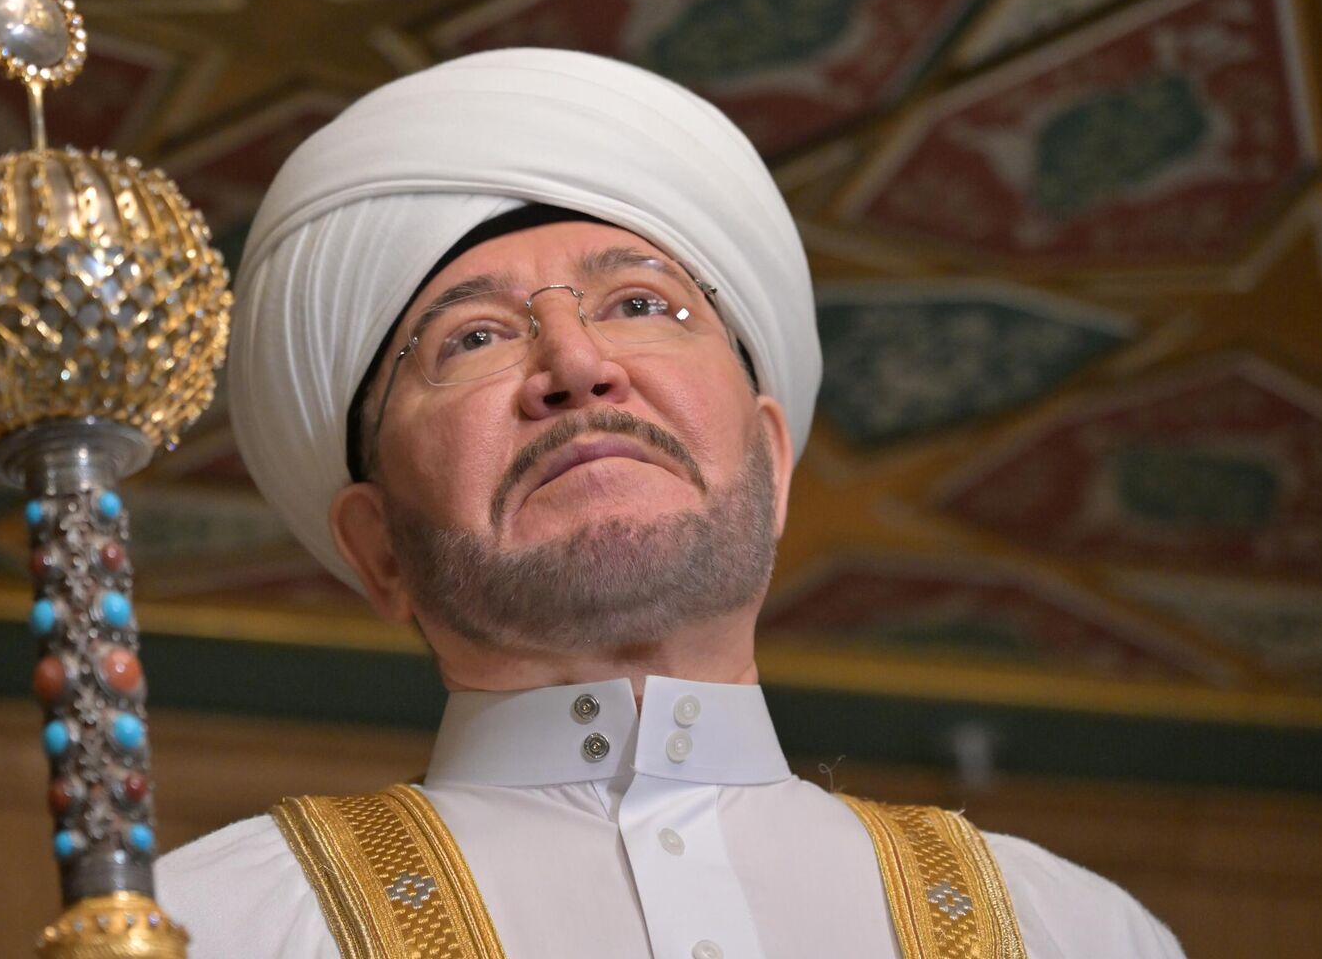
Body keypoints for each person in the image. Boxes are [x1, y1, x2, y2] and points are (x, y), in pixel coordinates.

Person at [152, 48, 1184, 959]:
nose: (576, 363)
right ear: (378, 547)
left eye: (641, 304)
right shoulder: (205, 929)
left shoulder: (1075, 933)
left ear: (771, 463)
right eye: (472, 337)